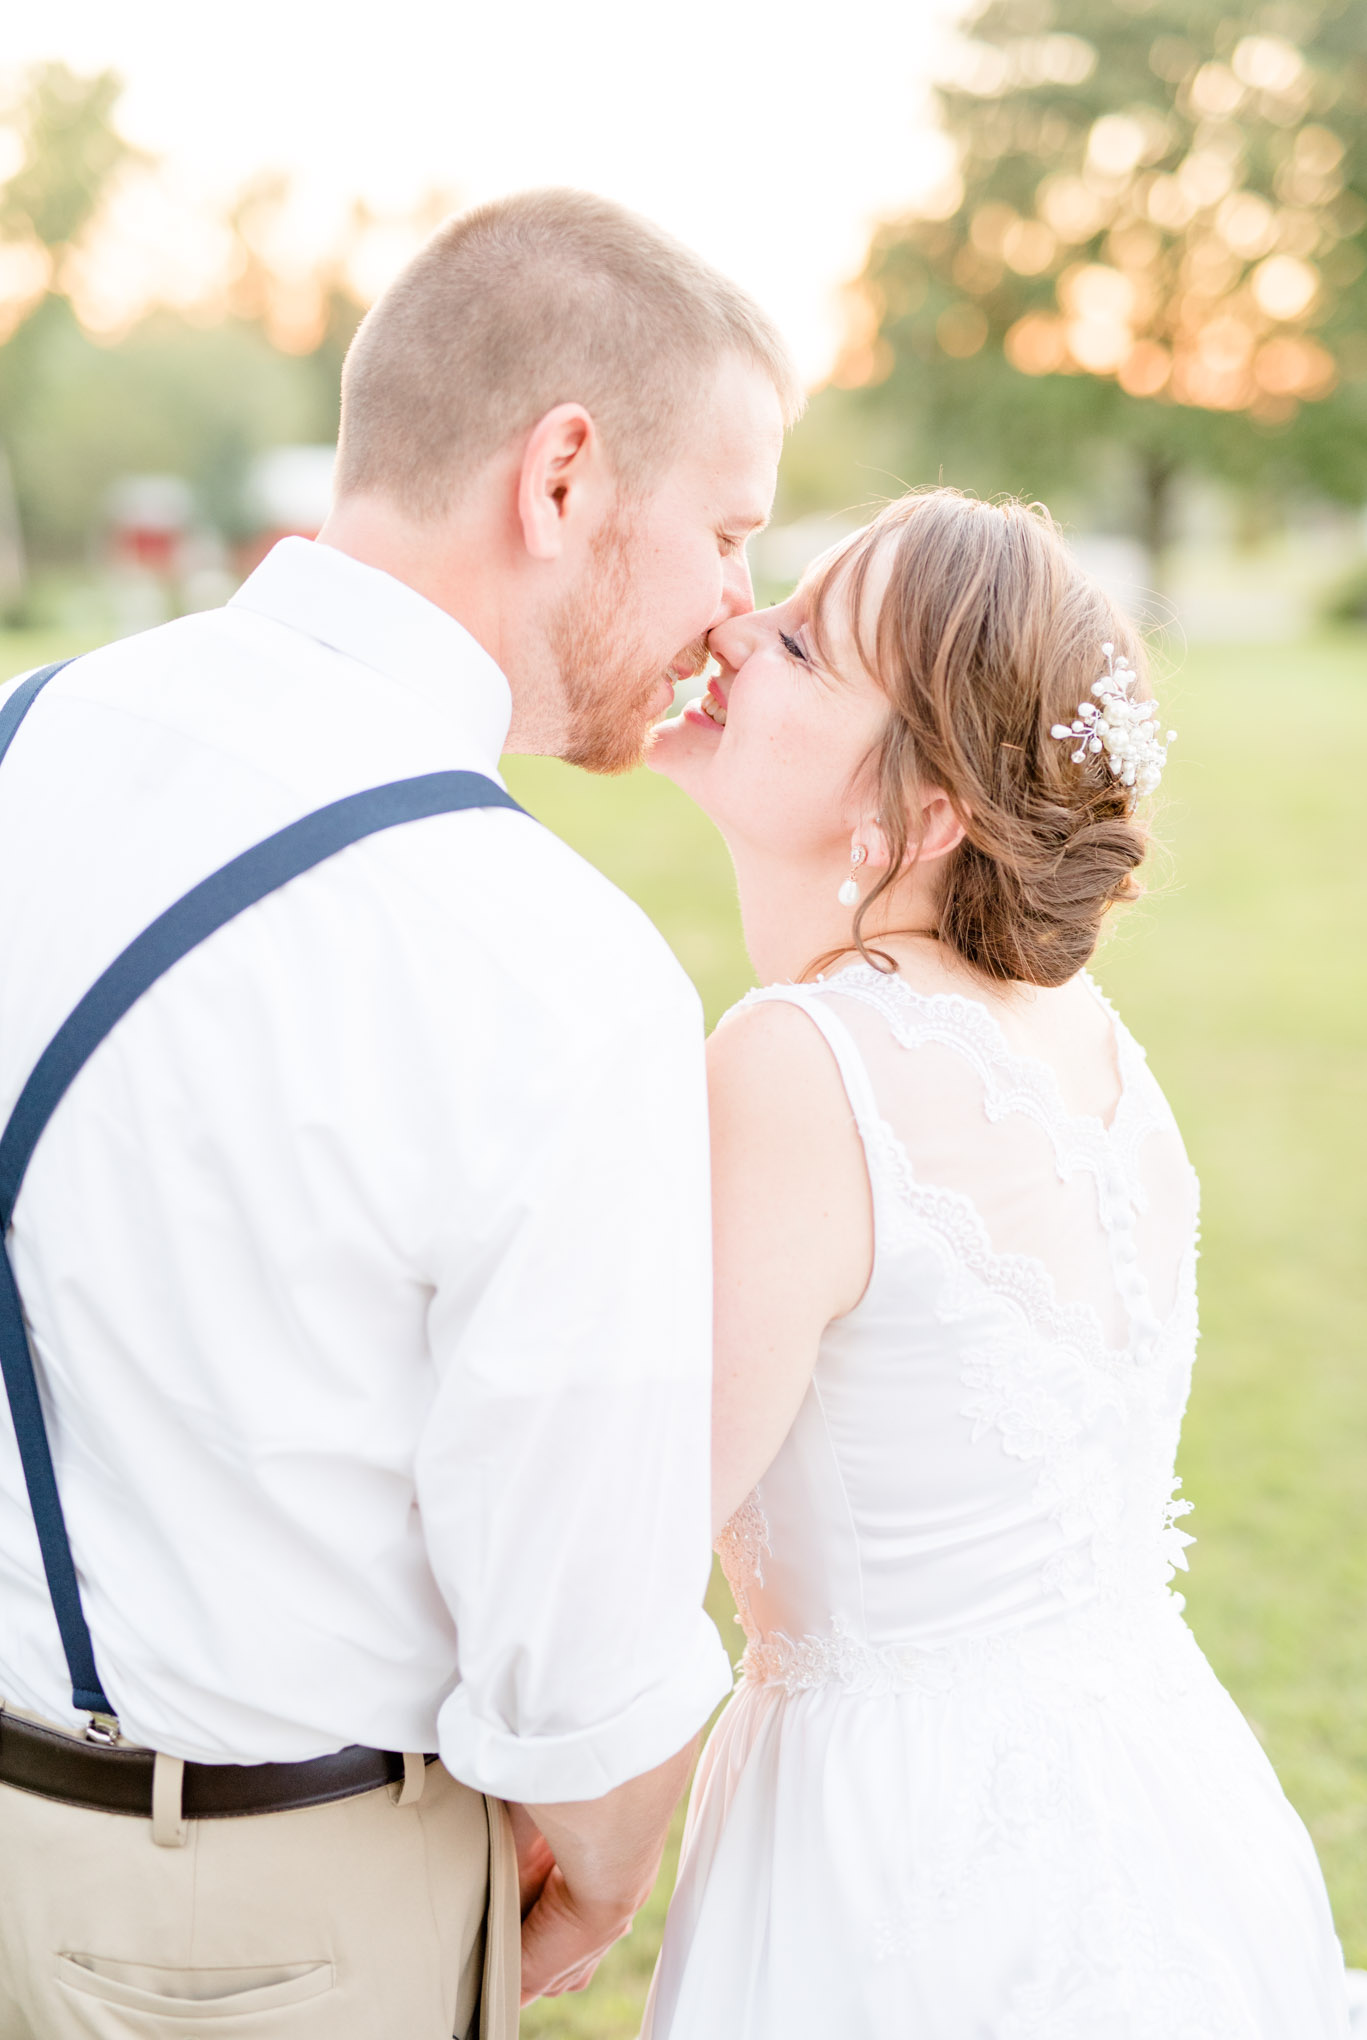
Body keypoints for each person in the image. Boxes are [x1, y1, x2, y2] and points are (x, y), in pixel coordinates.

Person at [0, 189, 799, 2038]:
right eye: (730, 531)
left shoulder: (23, 737)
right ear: (567, 476)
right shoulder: (551, 963)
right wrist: (602, 1851)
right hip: (268, 1929)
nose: (735, 608)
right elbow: (581, 1652)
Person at [643, 489, 1351, 2038]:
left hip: (895, 1858)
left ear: (927, 810)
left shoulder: (798, 1063)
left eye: (804, 646)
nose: (732, 629)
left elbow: (636, 1533)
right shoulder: (1100, 1054)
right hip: (1158, 1793)